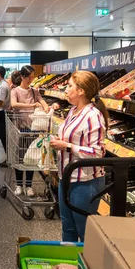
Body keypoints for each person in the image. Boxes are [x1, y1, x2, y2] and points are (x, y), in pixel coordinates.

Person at [49, 71, 109, 242]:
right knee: (67, 227)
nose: (65, 89)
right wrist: (60, 141)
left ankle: (85, 268)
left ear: (81, 90)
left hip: (85, 182)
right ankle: (70, 266)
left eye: (69, 86)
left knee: (84, 231)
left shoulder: (92, 116)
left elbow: (97, 153)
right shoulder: (73, 111)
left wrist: (67, 146)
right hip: (66, 178)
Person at [10, 65, 50, 197]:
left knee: (31, 158)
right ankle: (18, 184)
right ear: (22, 77)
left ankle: (28, 185)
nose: (31, 79)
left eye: (33, 77)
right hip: (20, 128)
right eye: (29, 77)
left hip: (33, 129)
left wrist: (46, 107)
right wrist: (32, 105)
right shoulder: (15, 91)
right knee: (20, 158)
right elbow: (14, 104)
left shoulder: (34, 91)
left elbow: (42, 101)